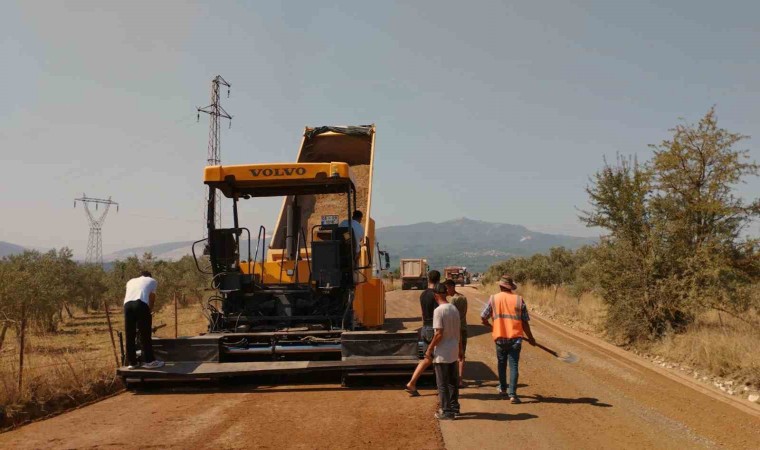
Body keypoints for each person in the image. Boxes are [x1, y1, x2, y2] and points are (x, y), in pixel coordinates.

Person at [480, 275, 536, 403]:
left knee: (501, 364)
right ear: (510, 287)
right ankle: (513, 395)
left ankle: (503, 390)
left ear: (500, 286)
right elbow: (525, 322)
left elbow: (483, 317)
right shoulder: (519, 300)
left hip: (500, 338)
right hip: (515, 339)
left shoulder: (493, 299)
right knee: (514, 365)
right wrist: (531, 338)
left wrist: (491, 325)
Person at [427, 282, 462, 420]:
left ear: (435, 295)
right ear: (446, 293)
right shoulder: (454, 308)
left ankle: (447, 411)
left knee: (442, 384)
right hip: (453, 350)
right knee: (452, 382)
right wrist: (460, 350)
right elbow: (458, 332)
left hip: (442, 352)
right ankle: (455, 407)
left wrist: (429, 348)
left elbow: (439, 334)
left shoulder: (438, 311)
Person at [405, 270, 441, 395]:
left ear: (428, 279)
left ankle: (412, 383)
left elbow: (422, 313)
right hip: (433, 327)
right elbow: (438, 314)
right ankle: (439, 385)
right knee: (438, 357)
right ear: (438, 280)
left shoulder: (423, 295)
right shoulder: (436, 295)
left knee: (427, 358)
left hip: (425, 327)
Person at [123, 271, 164, 369]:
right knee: (145, 334)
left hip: (127, 306)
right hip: (140, 304)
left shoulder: (130, 281)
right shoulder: (152, 280)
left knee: (129, 334)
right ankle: (150, 361)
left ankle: (132, 363)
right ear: (149, 276)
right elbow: (152, 297)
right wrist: (149, 311)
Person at [445, 279, 468, 388]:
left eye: (447, 288)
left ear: (451, 287)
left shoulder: (452, 301)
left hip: (455, 330)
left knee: (453, 354)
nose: (446, 291)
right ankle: (460, 380)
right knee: (462, 354)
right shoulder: (463, 297)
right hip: (463, 327)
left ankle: (454, 379)